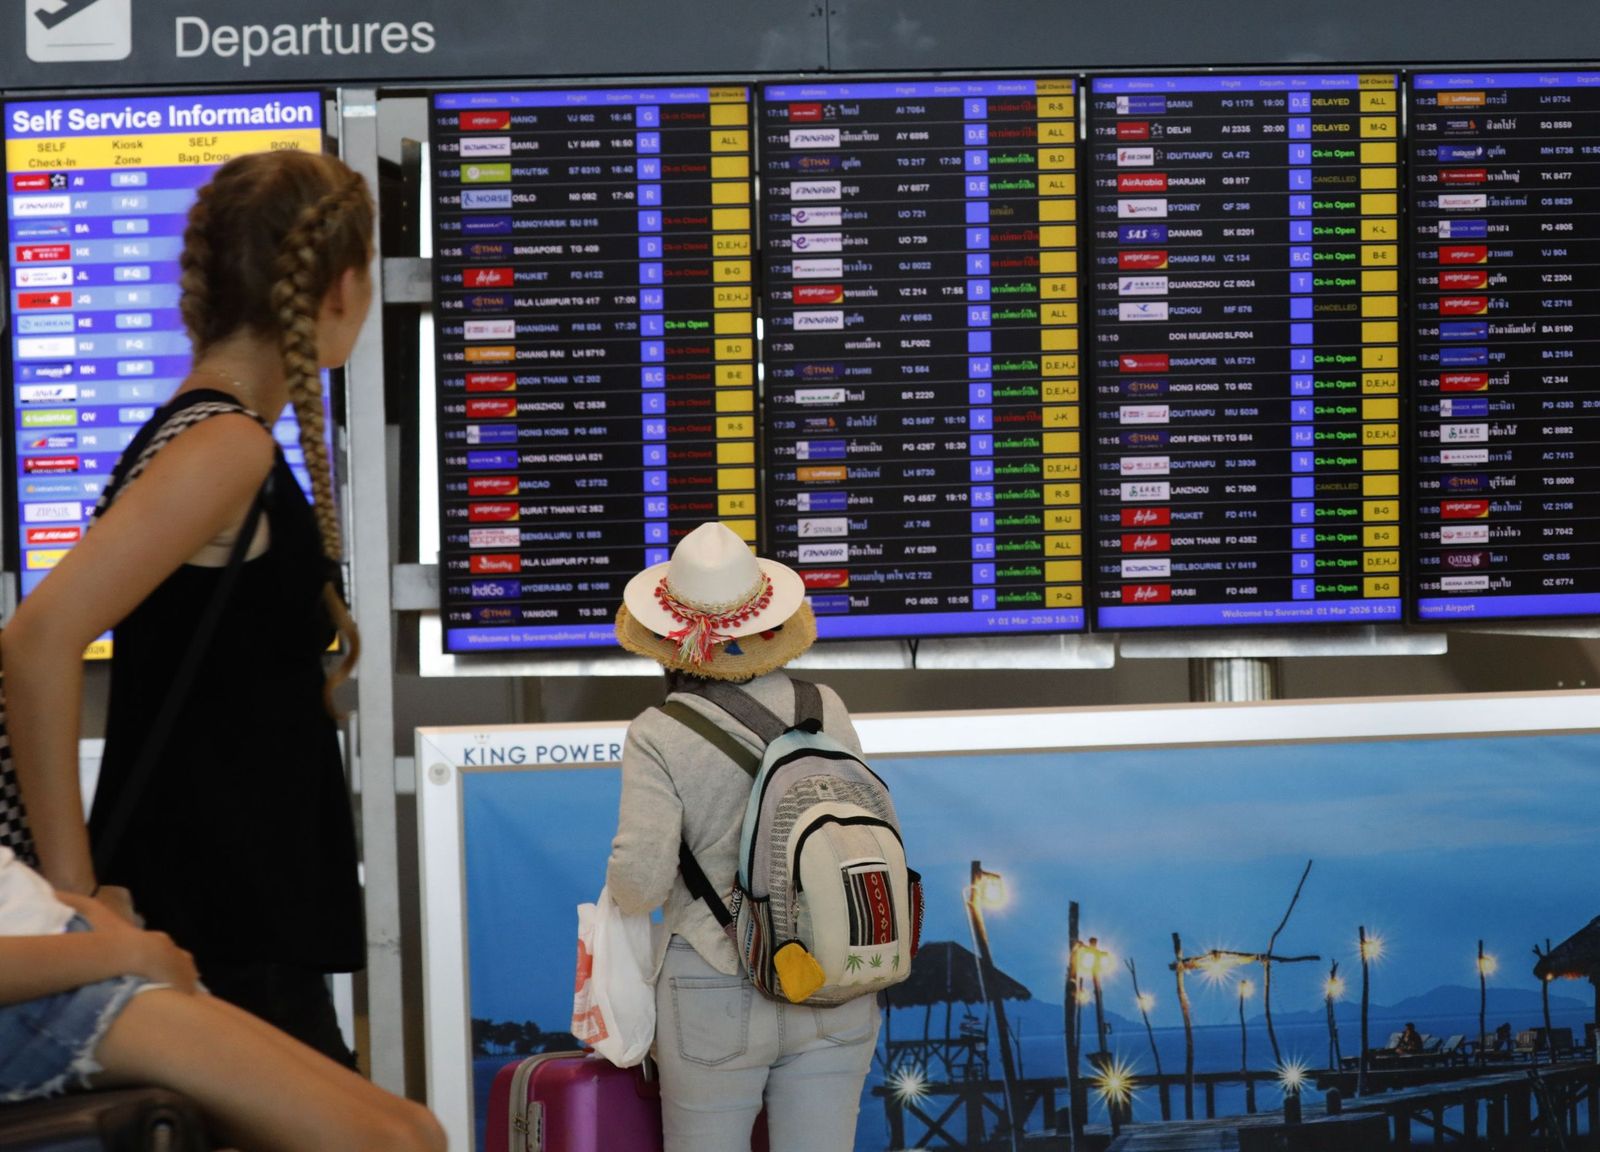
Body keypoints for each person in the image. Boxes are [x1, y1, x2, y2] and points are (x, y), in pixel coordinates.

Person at [1, 149, 371, 1062]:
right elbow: (37, 640)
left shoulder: (207, 433)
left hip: (235, 917)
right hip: (220, 927)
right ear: (341, 288)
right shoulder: (224, 448)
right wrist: (77, 901)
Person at [607, 522, 880, 1152]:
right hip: (834, 973)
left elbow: (640, 882)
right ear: (769, 627)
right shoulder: (824, 707)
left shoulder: (658, 731)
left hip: (715, 977)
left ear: (669, 639)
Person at [0, 845, 444, 1152]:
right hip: (45, 980)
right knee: (390, 1140)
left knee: (416, 1129)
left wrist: (81, 910)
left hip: (63, 945)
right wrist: (126, 951)